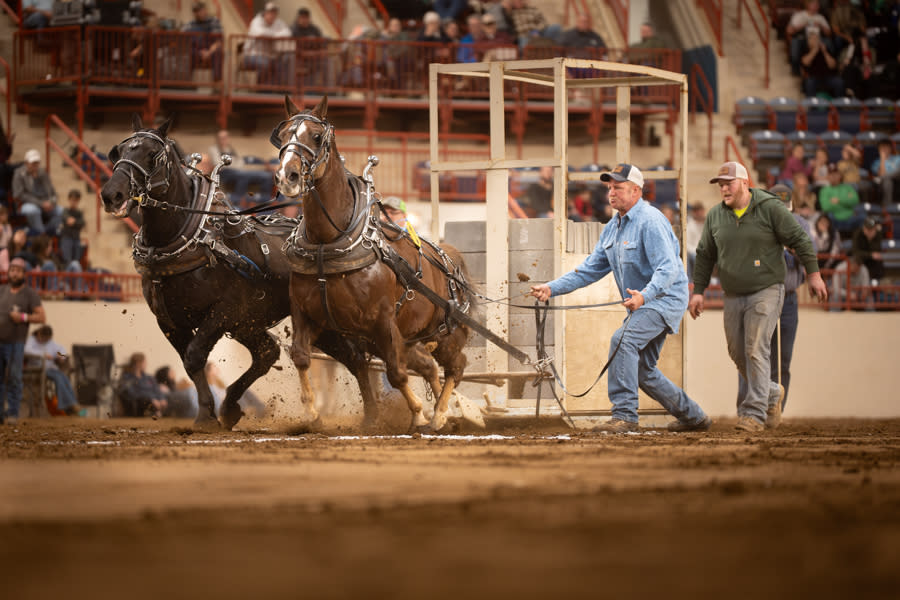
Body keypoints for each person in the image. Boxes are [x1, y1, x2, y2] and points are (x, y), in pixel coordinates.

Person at [530, 164, 710, 433]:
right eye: (609, 188)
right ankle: (694, 416)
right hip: (642, 303)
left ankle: (624, 415)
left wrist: (645, 296)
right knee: (642, 371)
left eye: (618, 187)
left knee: (622, 340)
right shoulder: (613, 228)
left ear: (636, 191)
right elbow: (590, 269)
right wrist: (552, 288)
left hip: (663, 300)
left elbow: (669, 268)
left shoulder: (650, 220)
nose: (611, 193)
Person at [689, 162, 827, 432]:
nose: (724, 188)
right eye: (720, 184)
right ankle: (772, 392)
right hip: (733, 292)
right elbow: (705, 254)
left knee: (755, 348)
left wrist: (813, 274)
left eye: (728, 183)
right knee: (737, 352)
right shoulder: (716, 216)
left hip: (767, 288)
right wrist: (698, 292)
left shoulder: (770, 207)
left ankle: (754, 413)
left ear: (744, 182)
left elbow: (800, 238)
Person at [735, 184, 811, 417]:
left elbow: (809, 255)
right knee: (753, 353)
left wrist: (790, 247)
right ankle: (748, 409)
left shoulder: (801, 225)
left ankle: (774, 410)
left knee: (782, 358)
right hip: (758, 295)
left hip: (787, 298)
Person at [0, 258, 46, 425]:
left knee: (13, 377)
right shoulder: (2, 290)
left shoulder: (30, 294)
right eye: (12, 270)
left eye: (18, 270)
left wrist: (22, 317)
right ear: (8, 272)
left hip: (15, 343)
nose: (14, 273)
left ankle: (12, 413)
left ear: (23, 274)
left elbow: (42, 317)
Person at [24, 324, 82, 416]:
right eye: (43, 338)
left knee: (64, 377)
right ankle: (69, 405)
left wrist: (61, 356)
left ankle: (72, 404)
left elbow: (60, 349)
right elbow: (26, 350)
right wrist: (43, 355)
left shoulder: (49, 342)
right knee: (58, 378)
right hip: (37, 369)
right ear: (39, 334)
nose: (44, 341)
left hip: (51, 368)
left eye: (47, 339)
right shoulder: (32, 340)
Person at [11, 149, 63, 235]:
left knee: (61, 212)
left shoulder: (42, 172)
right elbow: (18, 194)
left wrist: (51, 202)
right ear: (26, 163)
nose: (35, 165)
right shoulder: (19, 174)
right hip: (27, 203)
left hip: (45, 202)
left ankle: (45, 231)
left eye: (37, 163)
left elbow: (52, 192)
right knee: (33, 210)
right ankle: (41, 233)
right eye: (33, 163)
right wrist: (41, 203)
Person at [243, 2, 294, 87]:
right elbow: (259, 33)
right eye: (270, 12)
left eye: (274, 13)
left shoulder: (278, 22)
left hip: (270, 56)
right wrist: (276, 34)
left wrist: (273, 35)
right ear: (264, 13)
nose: (272, 15)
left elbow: (288, 33)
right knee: (265, 63)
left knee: (283, 61)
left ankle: (278, 89)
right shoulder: (256, 21)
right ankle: (261, 89)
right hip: (251, 56)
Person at [787, 0, 833, 76]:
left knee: (828, 42)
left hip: (818, 39)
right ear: (808, 5)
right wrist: (803, 25)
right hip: (803, 39)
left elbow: (829, 33)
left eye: (817, 5)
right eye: (814, 4)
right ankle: (796, 68)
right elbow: (789, 31)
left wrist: (821, 26)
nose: (817, 6)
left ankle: (830, 65)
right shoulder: (799, 15)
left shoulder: (820, 17)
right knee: (795, 42)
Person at [117, 352, 168, 418]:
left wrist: (162, 399)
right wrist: (151, 399)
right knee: (145, 401)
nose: (146, 364)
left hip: (155, 402)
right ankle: (155, 413)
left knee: (166, 399)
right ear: (138, 363)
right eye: (145, 362)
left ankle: (158, 413)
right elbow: (132, 394)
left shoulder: (149, 378)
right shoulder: (127, 378)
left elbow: (157, 390)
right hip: (141, 403)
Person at [183, 1, 224, 80]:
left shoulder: (214, 22)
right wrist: (199, 53)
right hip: (195, 52)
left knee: (219, 52)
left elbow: (218, 42)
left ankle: (217, 84)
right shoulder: (190, 24)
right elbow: (182, 38)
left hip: (211, 51)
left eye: (200, 10)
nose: (198, 13)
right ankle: (185, 82)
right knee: (185, 53)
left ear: (205, 10)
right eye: (195, 11)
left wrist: (208, 52)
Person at [818, 163, 863, 233]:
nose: (833, 176)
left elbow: (855, 201)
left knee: (863, 216)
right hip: (834, 219)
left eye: (835, 174)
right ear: (827, 176)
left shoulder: (848, 187)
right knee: (827, 218)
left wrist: (839, 200)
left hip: (850, 217)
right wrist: (847, 202)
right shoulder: (824, 190)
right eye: (831, 174)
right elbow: (825, 207)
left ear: (839, 175)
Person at [800, 27, 844, 98]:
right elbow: (805, 62)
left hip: (828, 77)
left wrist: (824, 52)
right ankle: (812, 106)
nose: (815, 41)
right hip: (814, 78)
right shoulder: (806, 50)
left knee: (839, 82)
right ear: (808, 41)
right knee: (809, 83)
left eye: (817, 39)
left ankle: (838, 106)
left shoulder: (826, 50)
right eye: (813, 39)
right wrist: (815, 50)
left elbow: (833, 65)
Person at [59, 188, 86, 267]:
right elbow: (66, 219)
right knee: (67, 261)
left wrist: (74, 222)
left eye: (76, 200)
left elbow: (82, 223)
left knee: (76, 261)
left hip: (76, 239)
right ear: (69, 199)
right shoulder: (65, 210)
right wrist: (75, 222)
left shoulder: (79, 213)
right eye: (72, 200)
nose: (73, 202)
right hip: (66, 238)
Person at [871, 139, 900, 206]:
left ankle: (880, 178)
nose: (884, 149)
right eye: (882, 148)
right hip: (887, 181)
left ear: (890, 148)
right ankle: (887, 206)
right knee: (887, 181)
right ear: (878, 149)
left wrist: (881, 177)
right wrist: (883, 159)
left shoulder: (898, 158)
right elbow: (881, 174)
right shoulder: (876, 162)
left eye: (886, 147)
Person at [685, 203, 705, 280]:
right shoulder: (689, 226)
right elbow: (687, 244)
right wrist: (697, 251)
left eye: (701, 211)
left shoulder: (708, 224)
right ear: (694, 213)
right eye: (697, 212)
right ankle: (690, 282)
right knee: (693, 257)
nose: (699, 214)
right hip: (694, 252)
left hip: (707, 251)